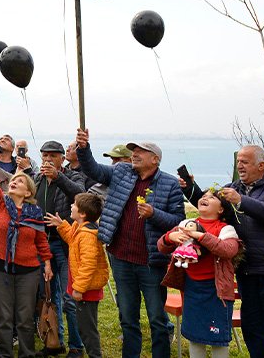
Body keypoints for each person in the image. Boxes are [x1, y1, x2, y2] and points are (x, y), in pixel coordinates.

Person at [75, 129, 184, 358]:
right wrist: (84, 149)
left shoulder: (170, 184)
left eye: (141, 152)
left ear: (155, 159)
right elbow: (93, 169)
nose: (134, 154)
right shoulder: (122, 172)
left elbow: (178, 221)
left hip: (151, 262)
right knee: (127, 317)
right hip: (122, 259)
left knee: (156, 318)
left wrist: (154, 214)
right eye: (133, 151)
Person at [181, 146, 264, 358]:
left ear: (261, 166)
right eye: (238, 161)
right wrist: (189, 187)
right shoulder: (232, 189)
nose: (239, 165)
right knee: (252, 326)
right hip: (246, 268)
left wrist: (241, 200)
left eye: (245, 161)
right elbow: (210, 204)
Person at [0, 144, 52, 358]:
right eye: (13, 180)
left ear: (28, 191)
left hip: (28, 270)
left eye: (19, 181)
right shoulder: (1, 204)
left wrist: (47, 263)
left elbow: (41, 239)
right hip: (0, 267)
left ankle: (26, 353)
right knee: (4, 317)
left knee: (24, 317)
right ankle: (4, 354)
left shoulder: (35, 212)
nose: (14, 182)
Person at [158, 190, 241, 358]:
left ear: (221, 210)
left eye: (212, 197)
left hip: (216, 292)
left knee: (218, 339)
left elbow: (228, 250)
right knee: (194, 337)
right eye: (203, 196)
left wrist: (201, 236)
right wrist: (170, 237)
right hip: (192, 289)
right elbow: (161, 246)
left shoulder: (225, 229)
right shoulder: (186, 223)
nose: (205, 198)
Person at [34, 140, 88, 357]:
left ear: (61, 159)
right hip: (42, 244)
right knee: (49, 295)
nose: (47, 159)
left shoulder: (72, 176)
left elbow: (81, 196)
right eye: (44, 155)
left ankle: (77, 345)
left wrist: (58, 177)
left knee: (69, 296)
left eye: (52, 156)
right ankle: (54, 342)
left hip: (64, 243)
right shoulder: (38, 179)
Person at [46, 194, 108, 358]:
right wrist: (62, 225)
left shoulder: (87, 235)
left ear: (82, 214)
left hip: (86, 291)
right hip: (84, 290)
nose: (71, 206)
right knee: (84, 327)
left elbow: (88, 265)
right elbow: (72, 241)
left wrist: (79, 289)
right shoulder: (80, 229)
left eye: (74, 204)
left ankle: (95, 355)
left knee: (87, 330)